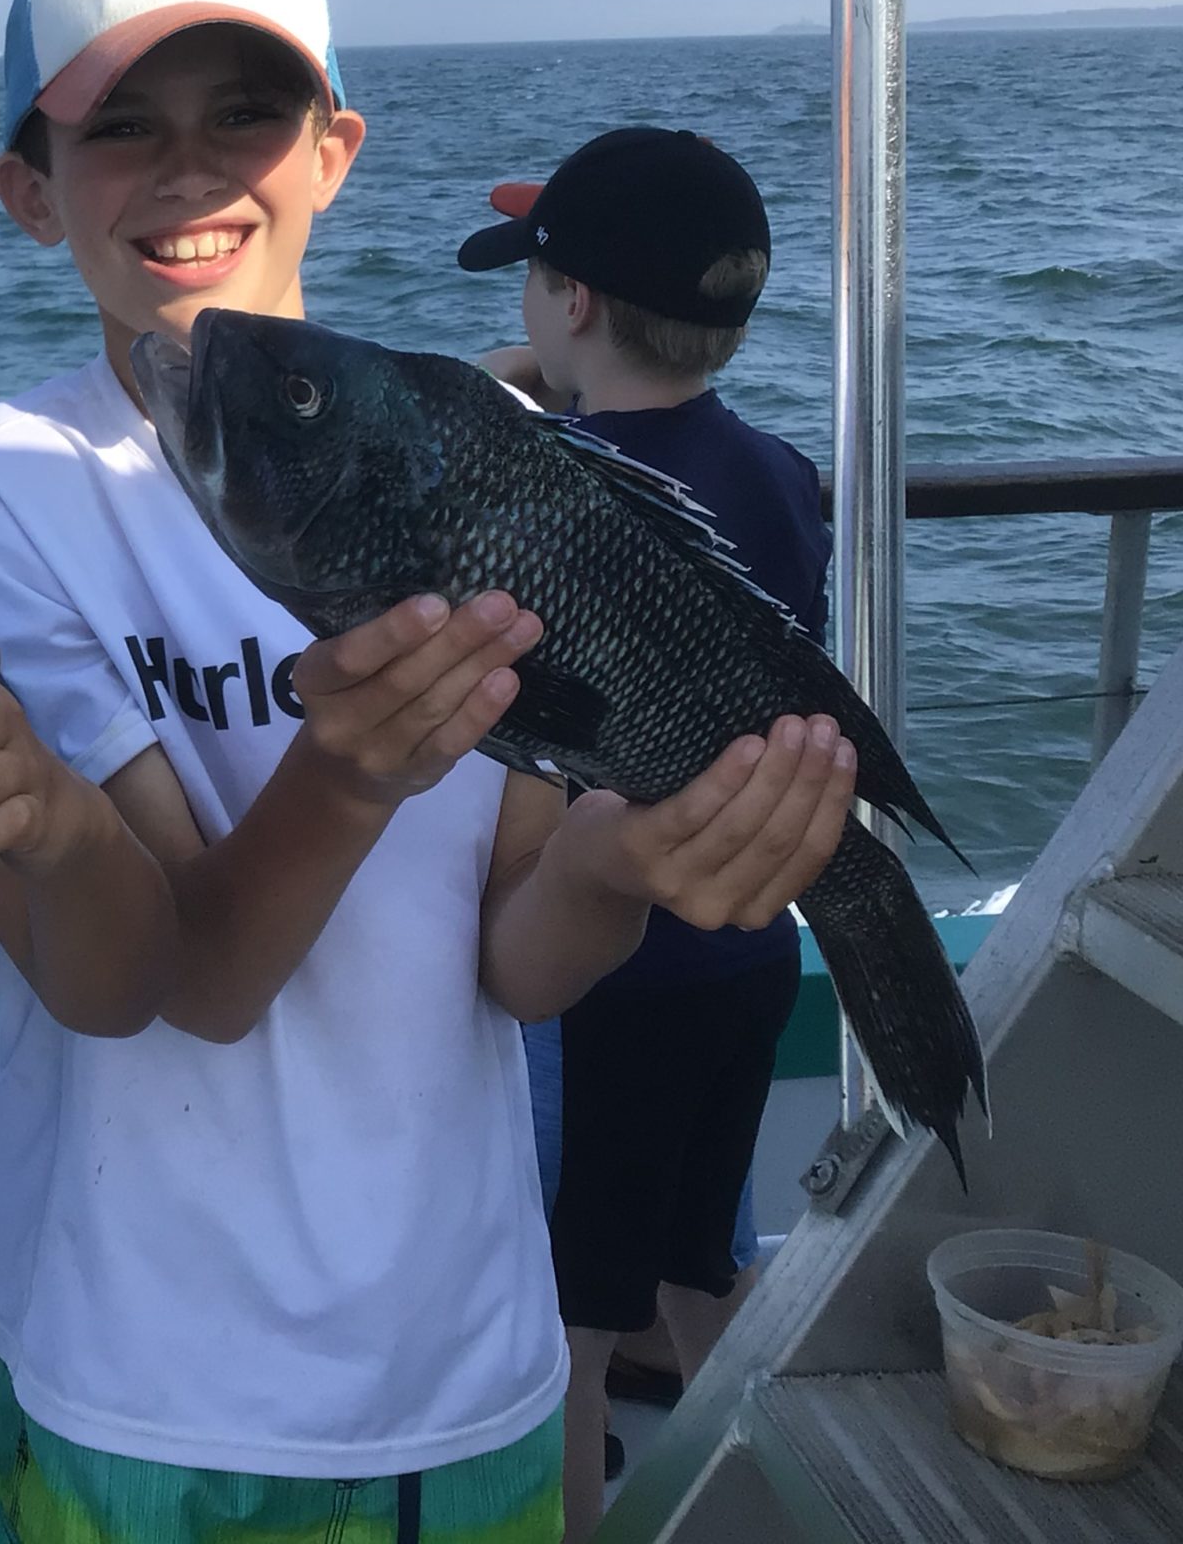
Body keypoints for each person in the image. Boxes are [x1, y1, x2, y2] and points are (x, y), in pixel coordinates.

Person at [0, 0, 859, 1543]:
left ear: (335, 147)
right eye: (121, 126)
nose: (190, 170)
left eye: (249, 111)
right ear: (29, 190)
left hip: (468, 1364)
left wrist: (622, 864)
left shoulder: (470, 450)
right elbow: (191, 979)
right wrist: (345, 775)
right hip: (144, 1386)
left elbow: (511, 959)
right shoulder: (14, 488)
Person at [460, 127, 826, 1539]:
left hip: (608, 981)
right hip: (745, 956)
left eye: (533, 277)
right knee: (695, 1270)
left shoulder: (555, 509)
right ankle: (770, 1502)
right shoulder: (781, 473)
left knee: (568, 1339)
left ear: (571, 306)